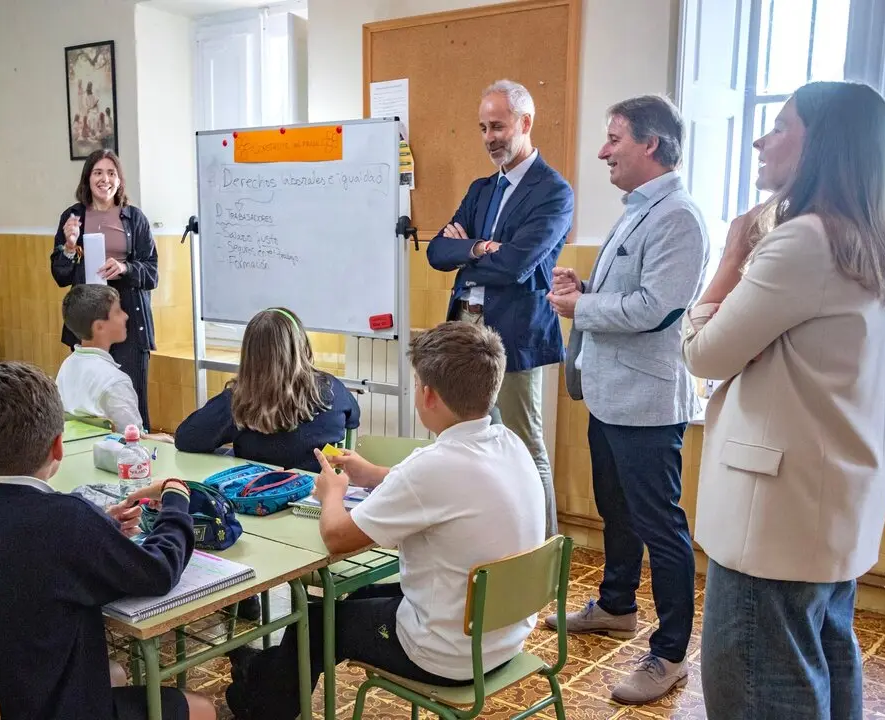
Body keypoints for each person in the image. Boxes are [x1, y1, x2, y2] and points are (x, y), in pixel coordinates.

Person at [682, 81, 885, 719]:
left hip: (774, 517)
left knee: (758, 685)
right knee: (826, 662)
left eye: (779, 126)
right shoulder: (876, 240)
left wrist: (730, 258)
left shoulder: (802, 241)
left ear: (822, 147)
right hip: (829, 502)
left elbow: (703, 355)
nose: (760, 139)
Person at [225, 321, 545, 720]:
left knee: (317, 621)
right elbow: (441, 491)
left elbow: (337, 537)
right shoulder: (508, 442)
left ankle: (261, 703)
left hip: (447, 656)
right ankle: (263, 671)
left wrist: (332, 495)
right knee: (359, 596)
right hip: (503, 637)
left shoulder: (432, 467)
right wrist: (375, 474)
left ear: (428, 395)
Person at [546, 95, 709, 704]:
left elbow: (655, 310)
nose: (602, 151)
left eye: (614, 138)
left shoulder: (679, 217)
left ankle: (669, 655)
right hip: (610, 394)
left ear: (652, 145)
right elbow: (634, 292)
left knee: (660, 527)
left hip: (645, 405)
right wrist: (584, 289)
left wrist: (579, 306)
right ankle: (616, 604)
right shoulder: (641, 208)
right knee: (617, 510)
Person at [0, 361, 215, 720]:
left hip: (17, 689)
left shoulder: (66, 523)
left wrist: (101, 529)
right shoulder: (64, 519)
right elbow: (158, 572)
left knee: (114, 673)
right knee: (202, 708)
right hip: (49, 707)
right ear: (57, 447)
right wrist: (176, 499)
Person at [426, 79, 573, 538]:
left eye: (499, 126)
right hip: (466, 329)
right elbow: (435, 253)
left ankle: (543, 557)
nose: (490, 137)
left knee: (525, 444)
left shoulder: (553, 192)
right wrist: (480, 248)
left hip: (515, 335)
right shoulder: (481, 189)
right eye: (483, 127)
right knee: (472, 442)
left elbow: (515, 265)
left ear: (525, 123)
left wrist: (468, 252)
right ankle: (486, 537)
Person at [174, 307, 360, 474]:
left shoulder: (238, 399)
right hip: (318, 497)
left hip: (257, 500)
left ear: (249, 354)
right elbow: (353, 420)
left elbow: (186, 439)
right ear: (302, 345)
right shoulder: (333, 388)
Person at [51, 149, 158, 432]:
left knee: (131, 407)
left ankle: (138, 463)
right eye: (98, 172)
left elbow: (152, 273)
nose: (105, 179)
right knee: (85, 403)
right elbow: (60, 275)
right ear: (87, 179)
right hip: (88, 322)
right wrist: (70, 247)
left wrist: (126, 269)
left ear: (120, 180)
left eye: (111, 173)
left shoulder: (135, 218)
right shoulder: (72, 216)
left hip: (128, 323)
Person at [56, 284, 168, 441]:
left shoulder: (66, 366)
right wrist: (164, 440)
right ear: (99, 327)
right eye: (117, 311)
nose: (125, 316)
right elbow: (133, 441)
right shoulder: (115, 381)